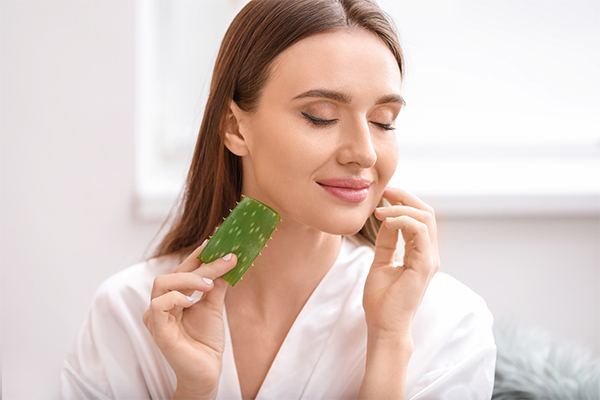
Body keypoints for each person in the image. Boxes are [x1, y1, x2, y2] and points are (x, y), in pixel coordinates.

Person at [61, 0, 496, 398]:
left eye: (384, 121)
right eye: (320, 116)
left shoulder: (448, 323)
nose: (364, 153)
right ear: (235, 127)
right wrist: (194, 389)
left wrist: (389, 342)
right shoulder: (127, 315)